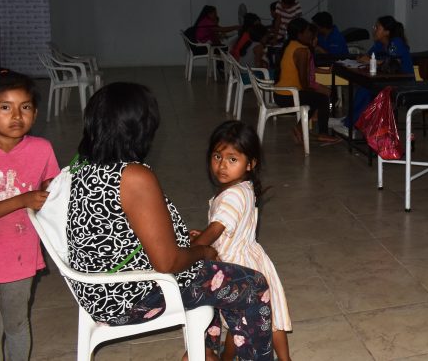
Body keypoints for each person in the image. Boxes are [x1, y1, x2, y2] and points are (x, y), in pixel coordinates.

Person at [66, 83, 273, 360]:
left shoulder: (83, 164)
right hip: (134, 296)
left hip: (100, 289)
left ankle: (205, 353)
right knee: (253, 285)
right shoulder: (134, 176)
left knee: (213, 276)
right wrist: (202, 251)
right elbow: (167, 263)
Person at [0, 71, 59, 361]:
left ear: (35, 112)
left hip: (21, 256)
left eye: (26, 107)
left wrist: (52, 192)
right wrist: (22, 200)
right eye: (5, 107)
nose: (16, 115)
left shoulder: (42, 149)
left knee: (18, 324)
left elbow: (50, 186)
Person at [191, 121, 292, 361]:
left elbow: (217, 229)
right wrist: (205, 237)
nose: (222, 166)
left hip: (240, 268)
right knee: (264, 319)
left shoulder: (232, 195)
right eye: (217, 156)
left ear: (251, 163)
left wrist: (194, 247)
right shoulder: (242, 187)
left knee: (245, 322)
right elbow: (226, 228)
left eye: (232, 159)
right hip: (251, 260)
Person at [274, 19, 341, 144]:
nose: (311, 34)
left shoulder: (291, 44)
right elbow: (304, 81)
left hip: (281, 94)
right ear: (300, 34)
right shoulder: (302, 51)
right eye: (308, 31)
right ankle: (323, 133)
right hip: (288, 96)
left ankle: (299, 128)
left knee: (315, 98)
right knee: (322, 98)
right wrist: (315, 90)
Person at [346, 16, 415, 128]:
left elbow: (394, 66)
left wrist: (373, 61)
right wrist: (364, 58)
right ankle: (354, 122)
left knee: (366, 91)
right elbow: (369, 56)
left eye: (377, 27)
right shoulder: (379, 43)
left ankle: (351, 124)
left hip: (403, 84)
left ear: (386, 32)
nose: (374, 29)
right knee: (364, 88)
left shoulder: (395, 43)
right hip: (387, 81)